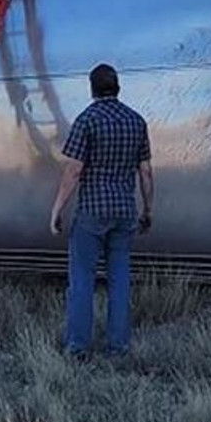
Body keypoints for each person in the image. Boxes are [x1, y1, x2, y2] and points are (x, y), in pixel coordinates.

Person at [48, 63, 154, 358]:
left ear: (92, 88)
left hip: (92, 212)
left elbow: (74, 171)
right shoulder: (137, 121)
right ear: (118, 87)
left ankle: (78, 346)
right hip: (124, 212)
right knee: (120, 282)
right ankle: (118, 347)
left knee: (82, 280)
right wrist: (148, 209)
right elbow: (145, 172)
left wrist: (57, 208)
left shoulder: (87, 120)